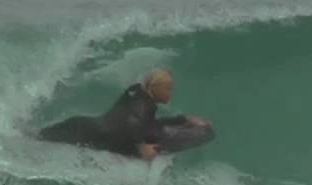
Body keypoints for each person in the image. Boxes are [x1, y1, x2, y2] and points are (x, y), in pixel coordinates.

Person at [37, 68, 208, 159]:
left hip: (82, 125)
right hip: (88, 134)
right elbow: (135, 123)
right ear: (155, 88)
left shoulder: (135, 92)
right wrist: (145, 147)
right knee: (35, 144)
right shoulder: (144, 107)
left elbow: (147, 123)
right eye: (168, 88)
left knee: (35, 138)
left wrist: (183, 119)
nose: (171, 92)